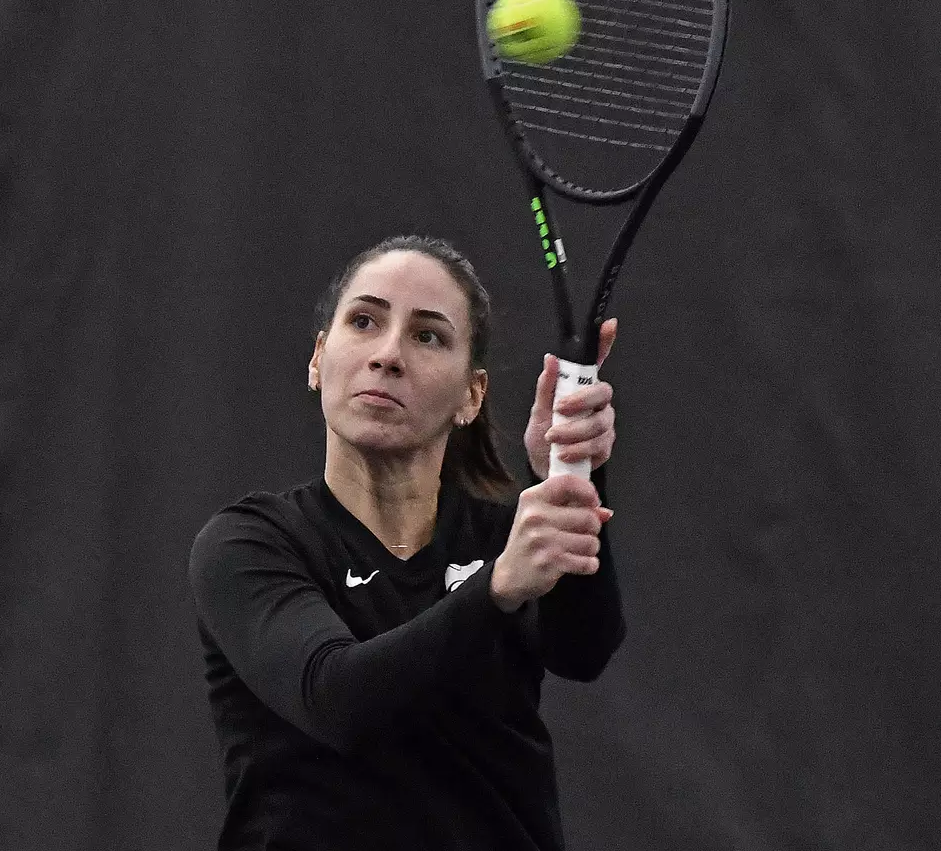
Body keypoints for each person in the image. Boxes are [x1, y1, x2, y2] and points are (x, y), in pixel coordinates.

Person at [188, 235, 625, 851]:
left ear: (471, 396)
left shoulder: (502, 540)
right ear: (318, 359)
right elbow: (335, 698)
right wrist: (495, 588)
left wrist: (570, 468)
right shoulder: (251, 544)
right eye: (364, 321)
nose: (388, 355)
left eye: (428, 337)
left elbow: (583, 648)